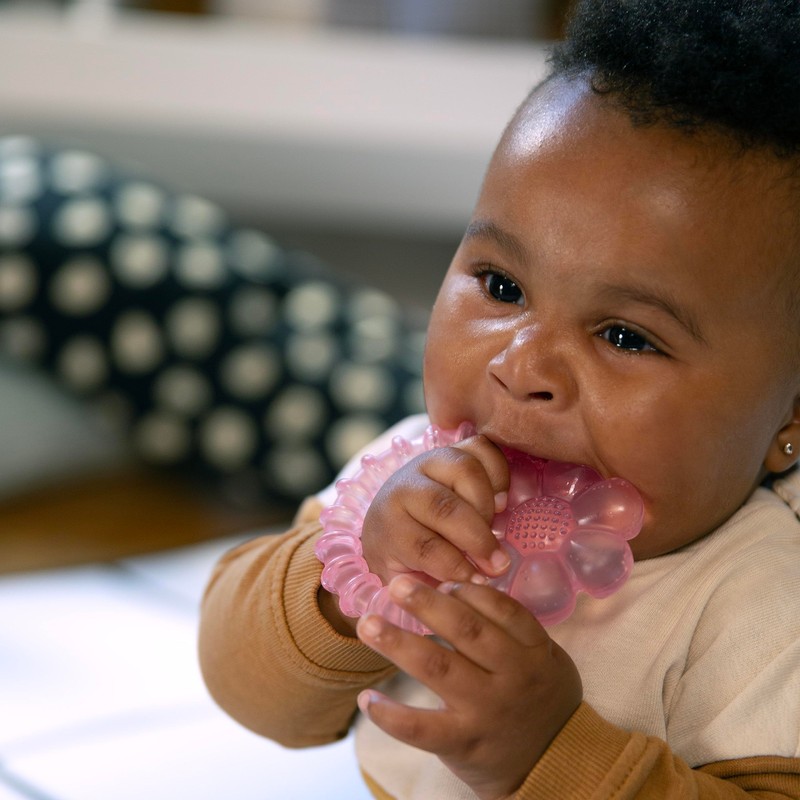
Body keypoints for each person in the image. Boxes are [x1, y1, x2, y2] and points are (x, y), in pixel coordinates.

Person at [198, 1, 800, 797]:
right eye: (502, 286)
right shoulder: (405, 482)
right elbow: (250, 690)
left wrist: (549, 754)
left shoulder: (767, 608)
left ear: (790, 417)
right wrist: (349, 587)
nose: (522, 368)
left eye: (625, 336)